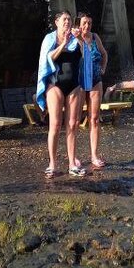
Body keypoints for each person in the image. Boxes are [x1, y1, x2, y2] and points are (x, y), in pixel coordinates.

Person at [35, 11, 92, 178]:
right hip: (55, 84)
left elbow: (86, 55)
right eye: (64, 19)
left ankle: (72, 164)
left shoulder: (76, 38)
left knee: (73, 124)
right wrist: (63, 44)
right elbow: (48, 58)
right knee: (55, 124)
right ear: (57, 22)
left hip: (74, 85)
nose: (67, 22)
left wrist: (79, 39)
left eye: (69, 19)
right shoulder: (50, 38)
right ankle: (52, 164)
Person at [73, 11, 108, 169]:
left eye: (89, 23)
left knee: (94, 118)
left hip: (95, 80)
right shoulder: (74, 37)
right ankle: (73, 156)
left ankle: (94, 155)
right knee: (75, 120)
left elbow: (104, 54)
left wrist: (103, 68)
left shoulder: (95, 37)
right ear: (78, 24)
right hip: (79, 81)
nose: (87, 26)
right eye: (84, 23)